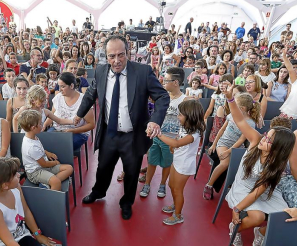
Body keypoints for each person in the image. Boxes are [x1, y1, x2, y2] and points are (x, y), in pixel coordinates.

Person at [75, 35, 170, 220]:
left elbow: (162, 97)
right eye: (112, 56)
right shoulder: (101, 71)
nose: (116, 61)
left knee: (132, 171)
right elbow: (91, 94)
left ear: (128, 52)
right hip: (109, 133)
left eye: (121, 55)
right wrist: (78, 114)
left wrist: (155, 120)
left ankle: (126, 203)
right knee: (103, 168)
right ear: (105, 56)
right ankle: (98, 192)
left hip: (132, 135)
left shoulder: (143, 72)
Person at [221, 83, 296, 246]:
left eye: (269, 140)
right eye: (266, 135)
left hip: (260, 192)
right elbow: (239, 119)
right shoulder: (255, 141)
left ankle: (260, 232)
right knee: (258, 217)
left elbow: (258, 192)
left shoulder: (276, 164)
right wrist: (230, 98)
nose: (264, 139)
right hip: (242, 187)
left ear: (278, 149)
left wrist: (237, 209)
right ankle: (235, 229)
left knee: (285, 215)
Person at [0, 157, 54, 245]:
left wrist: (37, 235)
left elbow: (26, 211)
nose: (19, 175)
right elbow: (9, 241)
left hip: (21, 236)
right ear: (5, 186)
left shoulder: (16, 187)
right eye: (15, 174)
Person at [140, 67, 186, 198]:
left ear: (176, 82)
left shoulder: (184, 100)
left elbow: (187, 124)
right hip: (156, 136)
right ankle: (147, 184)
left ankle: (162, 184)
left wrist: (177, 139)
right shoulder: (159, 97)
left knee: (167, 164)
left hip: (171, 140)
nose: (163, 82)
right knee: (151, 161)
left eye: (166, 80)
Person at [204, 93, 260, 200]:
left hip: (237, 147)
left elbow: (241, 140)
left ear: (242, 108)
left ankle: (232, 187)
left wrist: (229, 151)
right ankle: (209, 185)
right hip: (223, 143)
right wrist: (214, 144)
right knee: (225, 163)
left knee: (242, 166)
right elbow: (221, 130)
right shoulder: (231, 116)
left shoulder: (250, 123)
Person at [158, 100, 205, 225]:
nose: (178, 117)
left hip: (184, 166)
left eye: (180, 115)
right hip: (177, 160)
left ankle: (178, 215)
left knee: (178, 190)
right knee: (171, 186)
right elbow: (177, 138)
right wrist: (173, 145)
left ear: (190, 116)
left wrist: (159, 134)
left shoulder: (194, 134)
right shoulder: (185, 127)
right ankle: (175, 205)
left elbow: (178, 143)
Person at [18, 110, 73, 191]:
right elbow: (44, 164)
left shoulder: (33, 137)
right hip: (35, 172)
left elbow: (40, 150)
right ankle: (53, 201)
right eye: (40, 123)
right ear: (33, 128)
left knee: (69, 168)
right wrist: (55, 163)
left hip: (43, 167)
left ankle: (46, 183)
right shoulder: (31, 146)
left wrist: (47, 153)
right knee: (56, 182)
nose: (42, 124)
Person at [45, 72, 95, 151]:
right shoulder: (58, 97)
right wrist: (44, 126)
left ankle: (60, 162)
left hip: (78, 132)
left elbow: (91, 124)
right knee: (45, 142)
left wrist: (72, 131)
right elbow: (52, 115)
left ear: (71, 86)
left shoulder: (84, 101)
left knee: (62, 146)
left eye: (63, 86)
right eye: (59, 86)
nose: (59, 89)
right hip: (58, 129)